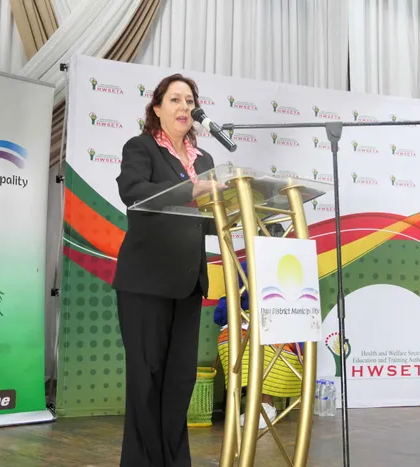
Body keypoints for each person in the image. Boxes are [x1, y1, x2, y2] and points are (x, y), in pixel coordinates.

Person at [113, 73, 222, 467]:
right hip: (146, 281)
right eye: (175, 99)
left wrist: (239, 213)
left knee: (179, 381)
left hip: (188, 282)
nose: (184, 107)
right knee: (146, 380)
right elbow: (133, 192)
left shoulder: (204, 161)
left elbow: (206, 220)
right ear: (157, 108)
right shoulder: (141, 147)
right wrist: (191, 190)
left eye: (189, 101)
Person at [214, 224, 304, 429]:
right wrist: (239, 314)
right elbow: (228, 303)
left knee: (269, 342)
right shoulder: (246, 267)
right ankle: (248, 403)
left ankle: (265, 403)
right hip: (249, 324)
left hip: (284, 326)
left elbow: (303, 307)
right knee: (231, 339)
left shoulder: (296, 265)